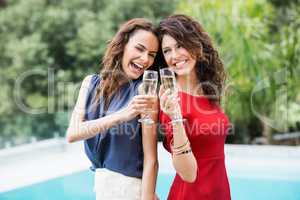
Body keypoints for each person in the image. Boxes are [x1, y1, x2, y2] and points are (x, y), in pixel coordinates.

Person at [66, 18, 159, 200]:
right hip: (103, 189)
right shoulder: (90, 83)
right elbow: (73, 133)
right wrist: (122, 115)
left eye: (152, 54)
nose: (145, 59)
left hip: (132, 191)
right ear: (123, 44)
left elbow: (151, 160)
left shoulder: (144, 90)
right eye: (140, 49)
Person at [158, 14, 231, 199]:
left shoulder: (208, 90)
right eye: (167, 50)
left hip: (219, 190)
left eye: (180, 45)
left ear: (196, 46)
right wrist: (175, 116)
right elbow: (188, 174)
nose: (174, 56)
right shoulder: (170, 99)